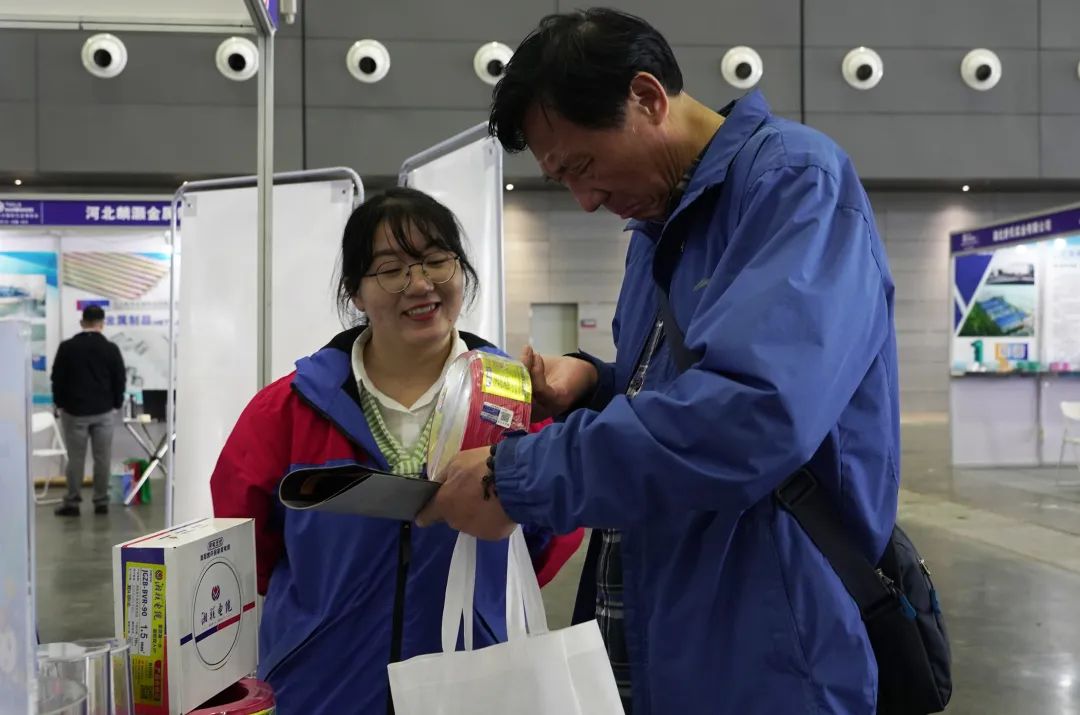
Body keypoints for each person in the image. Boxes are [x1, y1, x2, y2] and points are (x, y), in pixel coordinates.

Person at [418, 8, 900, 715]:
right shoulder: (653, 231)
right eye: (562, 179)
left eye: (582, 166)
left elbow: (752, 416)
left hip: (767, 642)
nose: (586, 201)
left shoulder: (795, 185)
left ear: (647, 97)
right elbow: (683, 388)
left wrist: (516, 477)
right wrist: (595, 383)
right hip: (659, 622)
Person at [210, 187, 581, 714]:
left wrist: (484, 606)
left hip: (470, 675)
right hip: (323, 683)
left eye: (436, 260)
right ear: (356, 293)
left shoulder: (514, 401)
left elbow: (553, 529)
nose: (421, 284)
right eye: (391, 269)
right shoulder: (287, 410)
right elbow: (244, 546)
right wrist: (319, 616)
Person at [51, 305, 126, 517]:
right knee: (103, 458)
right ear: (102, 324)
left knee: (75, 459)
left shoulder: (67, 347)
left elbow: (57, 378)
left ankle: (72, 502)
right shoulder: (110, 349)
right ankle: (101, 502)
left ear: (82, 322)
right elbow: (119, 379)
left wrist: (60, 403)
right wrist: (116, 403)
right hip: (103, 412)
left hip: (74, 412)